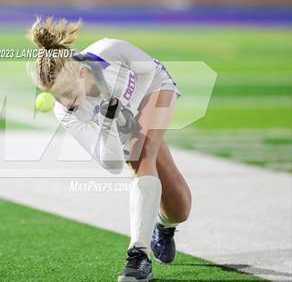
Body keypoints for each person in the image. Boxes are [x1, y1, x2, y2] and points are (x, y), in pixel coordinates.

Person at [27, 16, 192, 282]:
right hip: (119, 118)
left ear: (81, 72)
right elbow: (112, 164)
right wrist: (107, 124)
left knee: (143, 155)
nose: (66, 102)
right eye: (57, 96)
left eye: (68, 91)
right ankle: (164, 225)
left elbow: (148, 70)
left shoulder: (108, 51)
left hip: (153, 87)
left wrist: (129, 111)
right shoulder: (67, 112)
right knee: (180, 209)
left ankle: (139, 257)